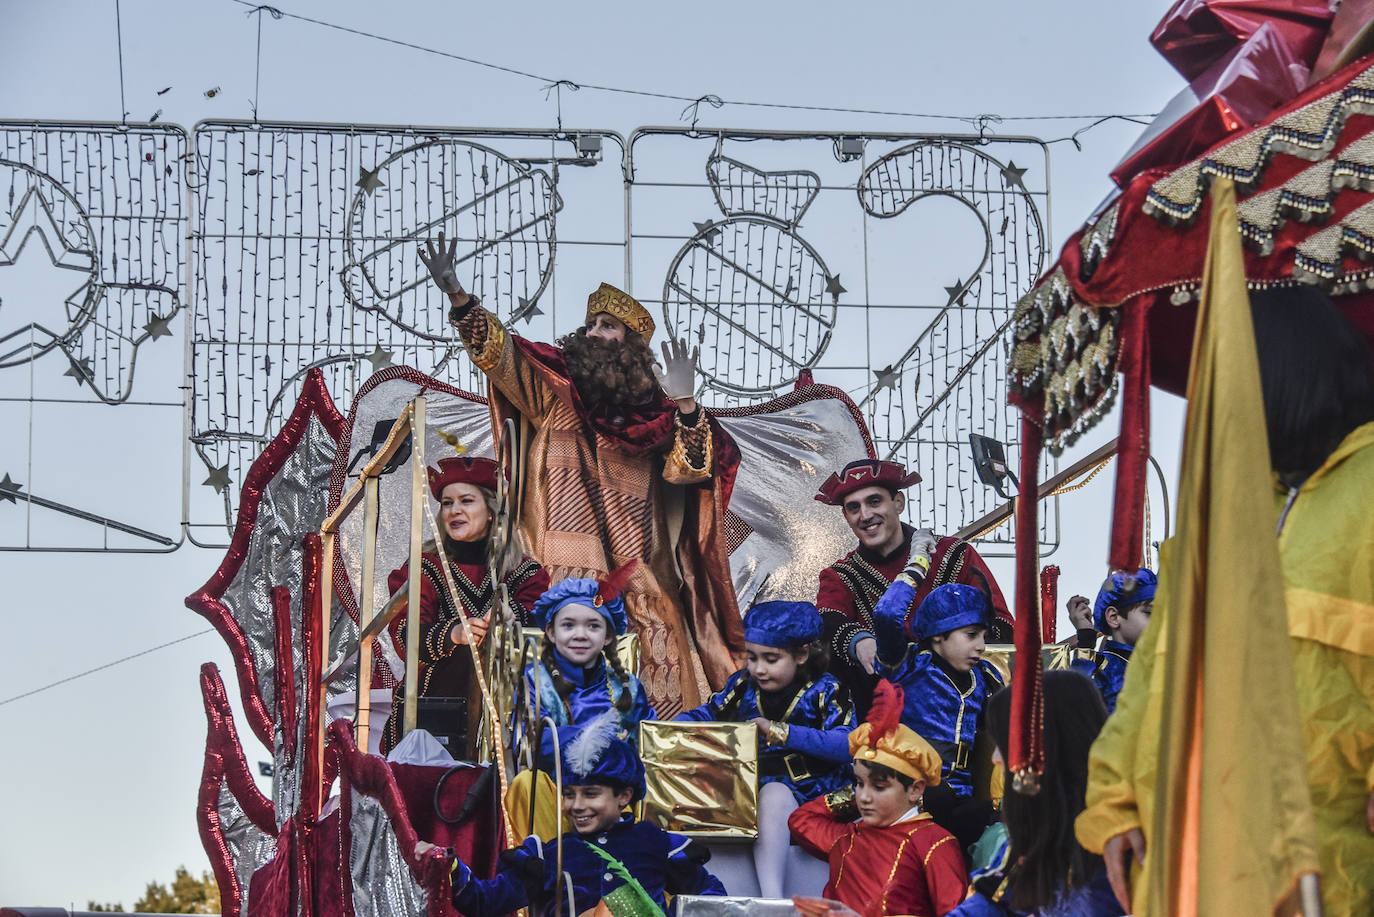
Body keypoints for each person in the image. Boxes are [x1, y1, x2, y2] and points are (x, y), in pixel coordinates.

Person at [1077, 286, 1374, 916]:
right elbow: (1152, 674)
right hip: (1187, 858)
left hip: (1329, 864)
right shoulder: (1220, 513)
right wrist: (1116, 802)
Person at [421, 234, 743, 717]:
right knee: (547, 719)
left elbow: (691, 471)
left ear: (633, 345)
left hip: (639, 582)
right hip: (553, 569)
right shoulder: (556, 394)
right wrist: (459, 297)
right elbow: (501, 357)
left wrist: (686, 406)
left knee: (656, 710)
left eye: (607, 325)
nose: (592, 333)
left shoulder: (658, 420)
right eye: (591, 323)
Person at [433, 715, 727, 917]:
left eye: (591, 794)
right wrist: (448, 866)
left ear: (624, 796)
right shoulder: (551, 855)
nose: (577, 805)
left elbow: (708, 895)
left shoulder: (655, 843)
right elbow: (483, 901)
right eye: (569, 794)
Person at [677, 599, 854, 898]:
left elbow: (847, 744)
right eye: (752, 657)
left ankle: (772, 899)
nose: (758, 669)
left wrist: (779, 732)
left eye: (771, 659)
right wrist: (671, 727)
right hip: (751, 789)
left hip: (816, 792)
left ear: (801, 654)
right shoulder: (743, 685)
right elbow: (708, 713)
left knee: (774, 796)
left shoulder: (826, 690)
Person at [814, 458, 1011, 716]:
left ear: (898, 503)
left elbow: (1001, 625)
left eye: (874, 501)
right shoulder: (840, 576)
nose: (865, 515)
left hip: (967, 709)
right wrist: (858, 642)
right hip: (884, 717)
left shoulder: (955, 554)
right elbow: (827, 620)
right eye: (853, 507)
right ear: (846, 517)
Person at [381, 454, 549, 756]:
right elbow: (406, 636)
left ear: (491, 512)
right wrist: (454, 634)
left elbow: (543, 629)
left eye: (466, 501)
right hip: (435, 711)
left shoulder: (525, 573)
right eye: (447, 503)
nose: (454, 510)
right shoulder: (425, 567)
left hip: (511, 710)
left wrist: (511, 617)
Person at [947, 671, 1123, 917]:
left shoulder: (1123, 844)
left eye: (1004, 744)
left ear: (1047, 749)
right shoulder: (1033, 838)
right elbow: (989, 905)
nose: (995, 758)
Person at [789, 680, 969, 917]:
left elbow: (956, 913)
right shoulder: (847, 837)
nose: (864, 797)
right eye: (859, 783)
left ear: (915, 790)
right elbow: (802, 820)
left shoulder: (934, 843)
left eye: (879, 786)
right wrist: (853, 795)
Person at [871, 580, 1004, 849]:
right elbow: (886, 614)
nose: (981, 646)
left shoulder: (984, 677)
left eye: (983, 636)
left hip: (960, 796)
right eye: (971, 635)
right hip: (909, 791)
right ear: (938, 634)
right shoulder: (910, 665)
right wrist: (916, 567)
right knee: (939, 802)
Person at [527, 564, 657, 747]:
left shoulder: (628, 687)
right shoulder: (534, 681)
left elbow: (648, 741)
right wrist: (604, 741)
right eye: (568, 625)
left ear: (607, 636)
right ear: (551, 632)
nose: (580, 635)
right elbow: (533, 741)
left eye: (593, 626)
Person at [1065, 568, 1157, 713]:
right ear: (1113, 617)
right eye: (1150, 613)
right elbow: (1074, 709)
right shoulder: (1100, 666)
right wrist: (1086, 640)